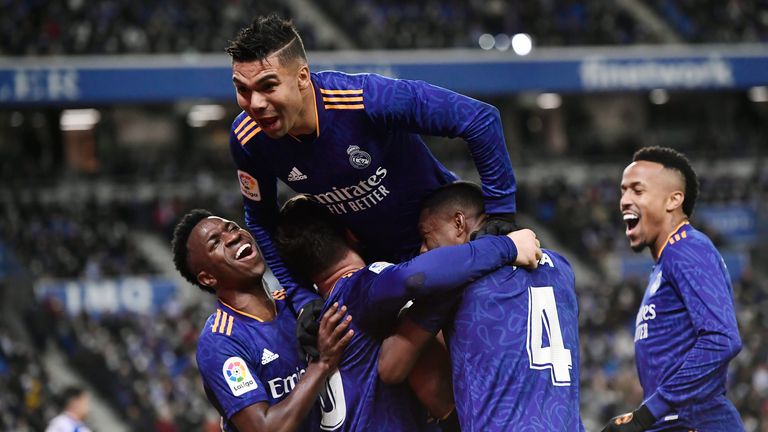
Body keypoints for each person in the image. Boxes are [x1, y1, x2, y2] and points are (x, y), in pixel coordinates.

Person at [224, 14, 520, 349]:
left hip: (444, 246)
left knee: (473, 361)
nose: (255, 104)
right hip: (381, 273)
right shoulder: (249, 139)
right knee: (398, 376)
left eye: (268, 86)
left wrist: (500, 214)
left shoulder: (366, 99)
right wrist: (301, 297)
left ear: (303, 77)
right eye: (242, 90)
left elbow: (480, 119)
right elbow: (261, 219)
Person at [274, 195, 542, 431]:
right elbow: (414, 278)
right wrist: (506, 247)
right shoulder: (361, 286)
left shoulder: (310, 325)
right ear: (351, 233)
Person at [376, 181, 584, 431]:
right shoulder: (562, 266)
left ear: (458, 223)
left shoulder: (454, 282)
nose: (422, 250)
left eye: (426, 235)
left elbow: (390, 368)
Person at [171, 209, 354, 432]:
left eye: (232, 227)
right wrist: (322, 364)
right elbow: (265, 428)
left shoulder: (298, 304)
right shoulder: (220, 341)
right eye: (215, 243)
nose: (233, 236)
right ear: (208, 277)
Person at [602, 147, 743, 431]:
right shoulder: (666, 261)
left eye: (637, 191)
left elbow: (722, 339)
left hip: (698, 423)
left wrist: (645, 414)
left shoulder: (688, 249)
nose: (624, 201)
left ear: (673, 200)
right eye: (623, 191)